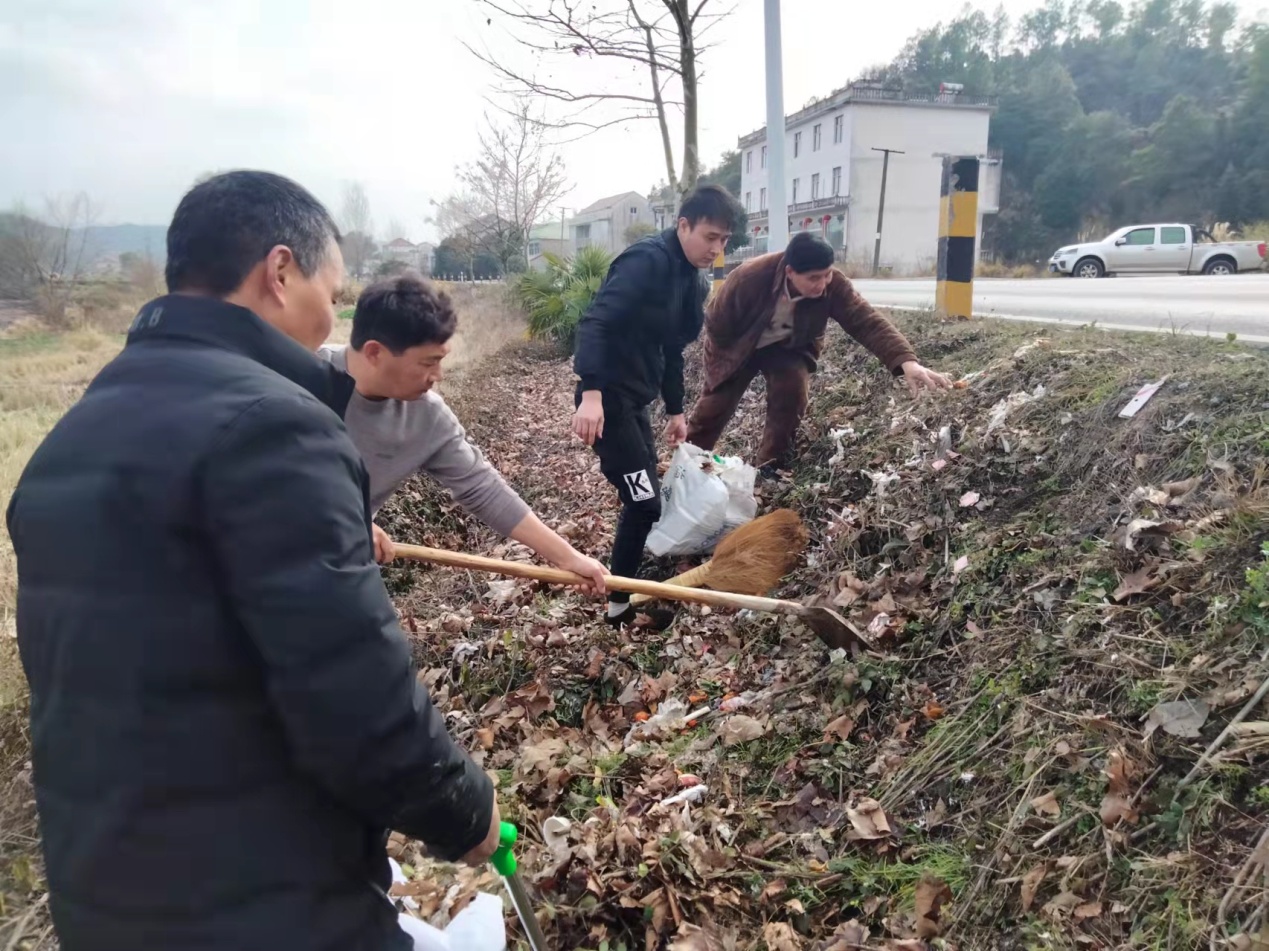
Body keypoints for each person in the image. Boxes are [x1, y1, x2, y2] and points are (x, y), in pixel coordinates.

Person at [5, 170, 499, 951]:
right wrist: (465, 811)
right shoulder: (275, 424)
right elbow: (353, 691)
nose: (329, 317)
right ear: (279, 272)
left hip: (103, 890)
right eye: (329, 293)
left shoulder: (73, 436)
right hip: (254, 902)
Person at [318, 272, 607, 592]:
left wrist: (567, 557)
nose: (437, 376)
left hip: (333, 570)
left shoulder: (426, 416)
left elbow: (484, 488)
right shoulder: (295, 376)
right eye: (428, 363)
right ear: (374, 353)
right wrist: (340, 520)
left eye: (441, 361)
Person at [570, 184, 744, 631]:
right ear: (682, 225)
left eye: (724, 239)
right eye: (709, 236)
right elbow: (596, 322)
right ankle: (618, 608)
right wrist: (590, 395)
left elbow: (671, 350)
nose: (717, 248)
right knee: (644, 501)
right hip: (607, 401)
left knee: (647, 495)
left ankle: (624, 584)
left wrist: (676, 410)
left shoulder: (694, 281)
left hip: (637, 402)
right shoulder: (645, 261)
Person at [686, 231, 952, 476]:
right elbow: (717, 323)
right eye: (813, 278)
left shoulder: (833, 285)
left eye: (826, 275)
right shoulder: (750, 277)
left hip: (789, 346)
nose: (822, 284)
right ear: (790, 272)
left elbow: (865, 320)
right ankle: (687, 460)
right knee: (714, 405)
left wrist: (907, 361)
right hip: (740, 345)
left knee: (792, 393)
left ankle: (770, 467)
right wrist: (725, 364)